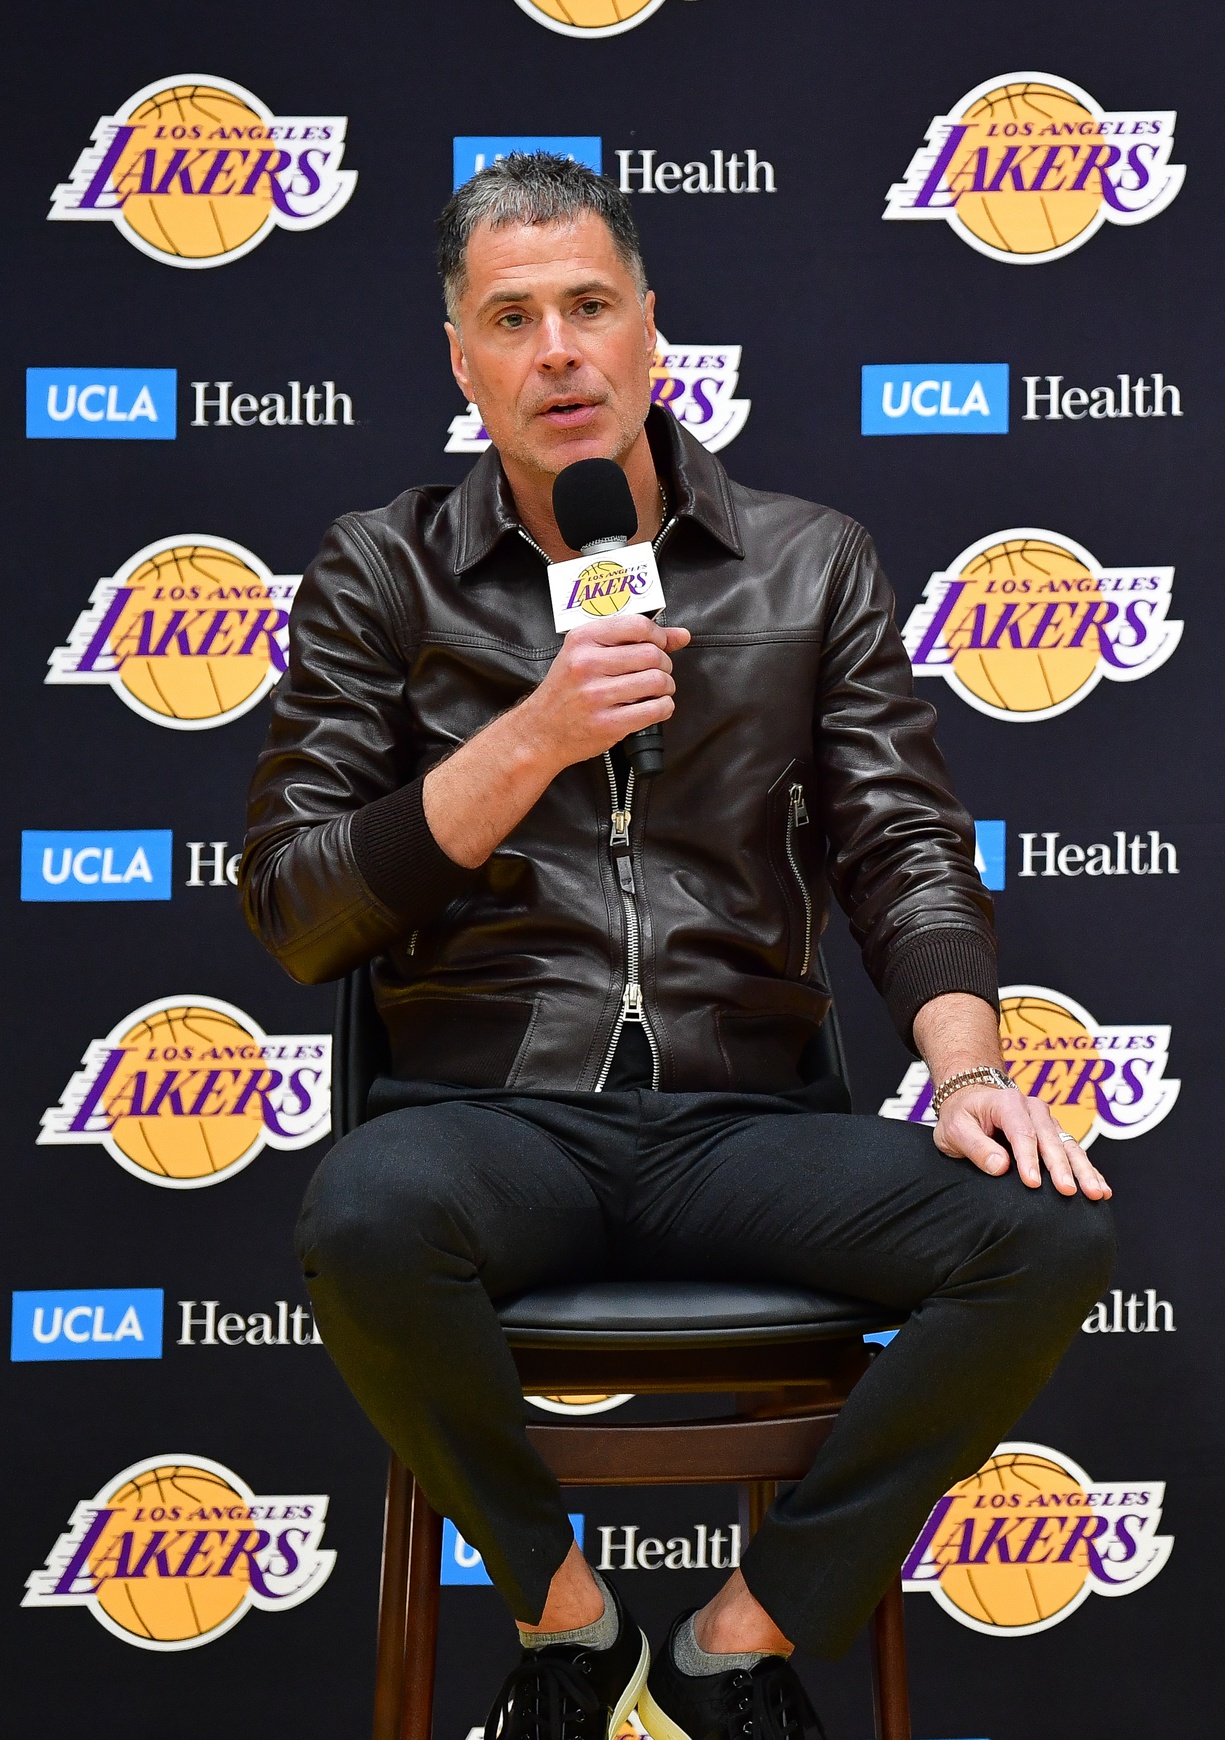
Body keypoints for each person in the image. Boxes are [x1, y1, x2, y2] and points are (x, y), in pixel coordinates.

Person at [243, 155, 1116, 1740]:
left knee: (1046, 1234)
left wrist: (969, 1063)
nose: (559, 350)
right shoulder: (383, 570)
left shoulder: (808, 560)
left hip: (739, 1126)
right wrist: (530, 737)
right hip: (485, 1125)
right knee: (360, 1209)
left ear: (653, 333)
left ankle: (740, 1637)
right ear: (462, 360)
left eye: (589, 306)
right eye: (514, 318)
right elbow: (303, 907)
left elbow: (899, 845)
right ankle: (565, 1625)